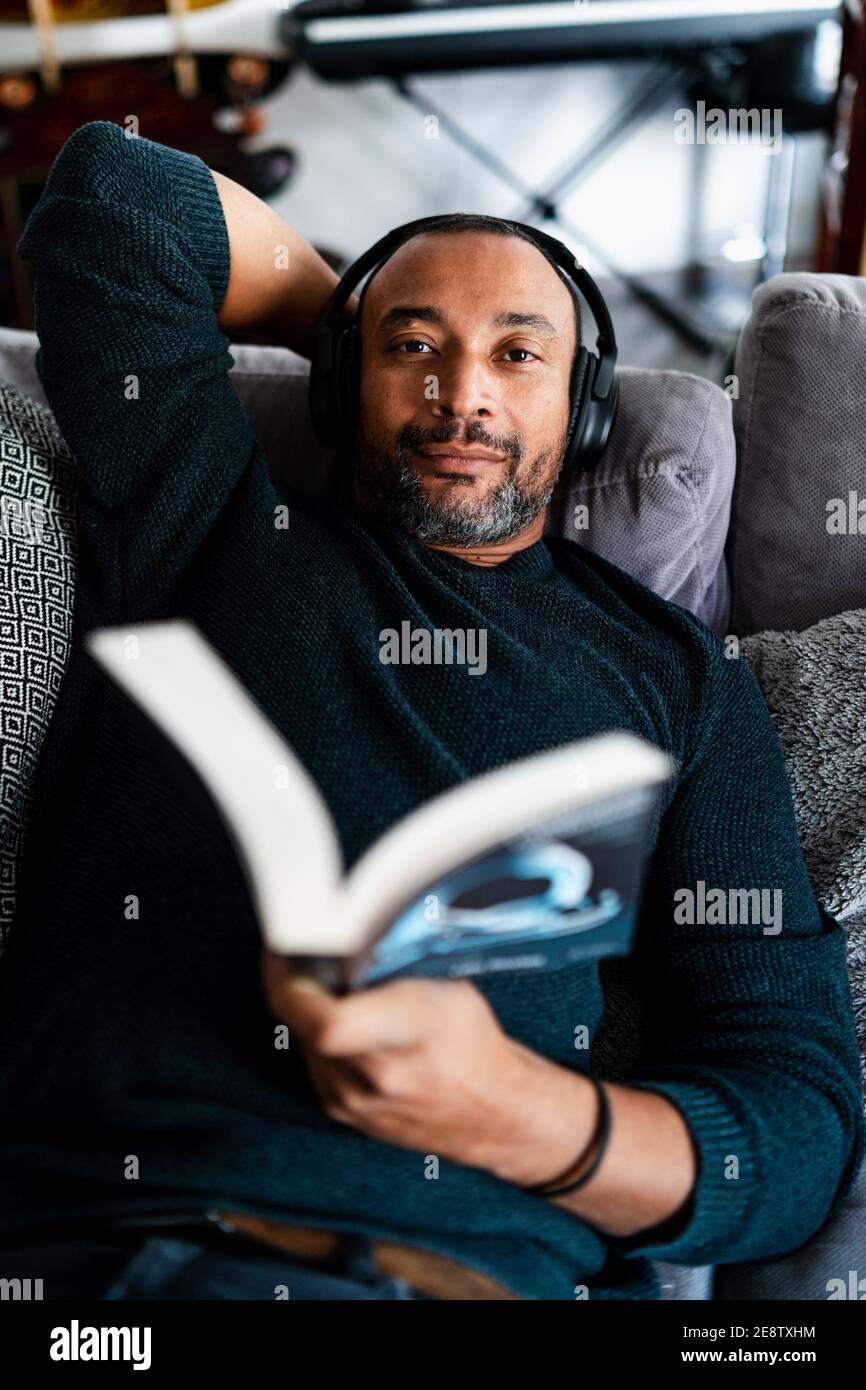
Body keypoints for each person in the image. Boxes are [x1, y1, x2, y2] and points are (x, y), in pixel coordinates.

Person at [0, 119, 862, 1302]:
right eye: (415, 346)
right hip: (114, 1260)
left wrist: (516, 1115)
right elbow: (117, 194)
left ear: (584, 404)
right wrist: (339, 315)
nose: (461, 396)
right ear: (347, 379)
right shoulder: (204, 523)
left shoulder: (680, 681)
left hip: (470, 1277)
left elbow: (796, 1118)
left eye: (517, 354)